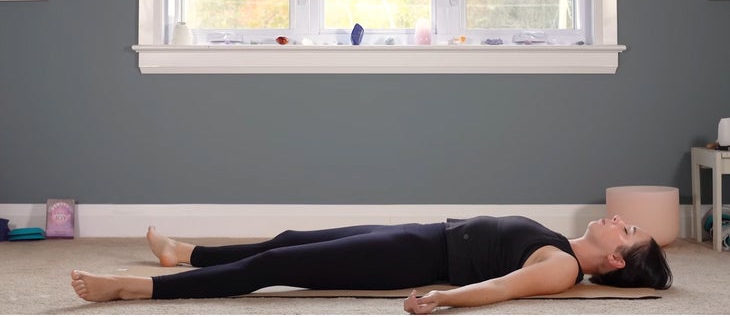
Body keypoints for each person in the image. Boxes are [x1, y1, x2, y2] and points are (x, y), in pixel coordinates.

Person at [70, 215, 672, 314]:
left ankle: (138, 289)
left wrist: (440, 300)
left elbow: (502, 288)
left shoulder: (562, 267)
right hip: (418, 234)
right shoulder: (560, 242)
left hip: (415, 257)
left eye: (630, 230)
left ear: (616, 258)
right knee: (291, 237)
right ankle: (186, 255)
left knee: (277, 264)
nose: (621, 218)